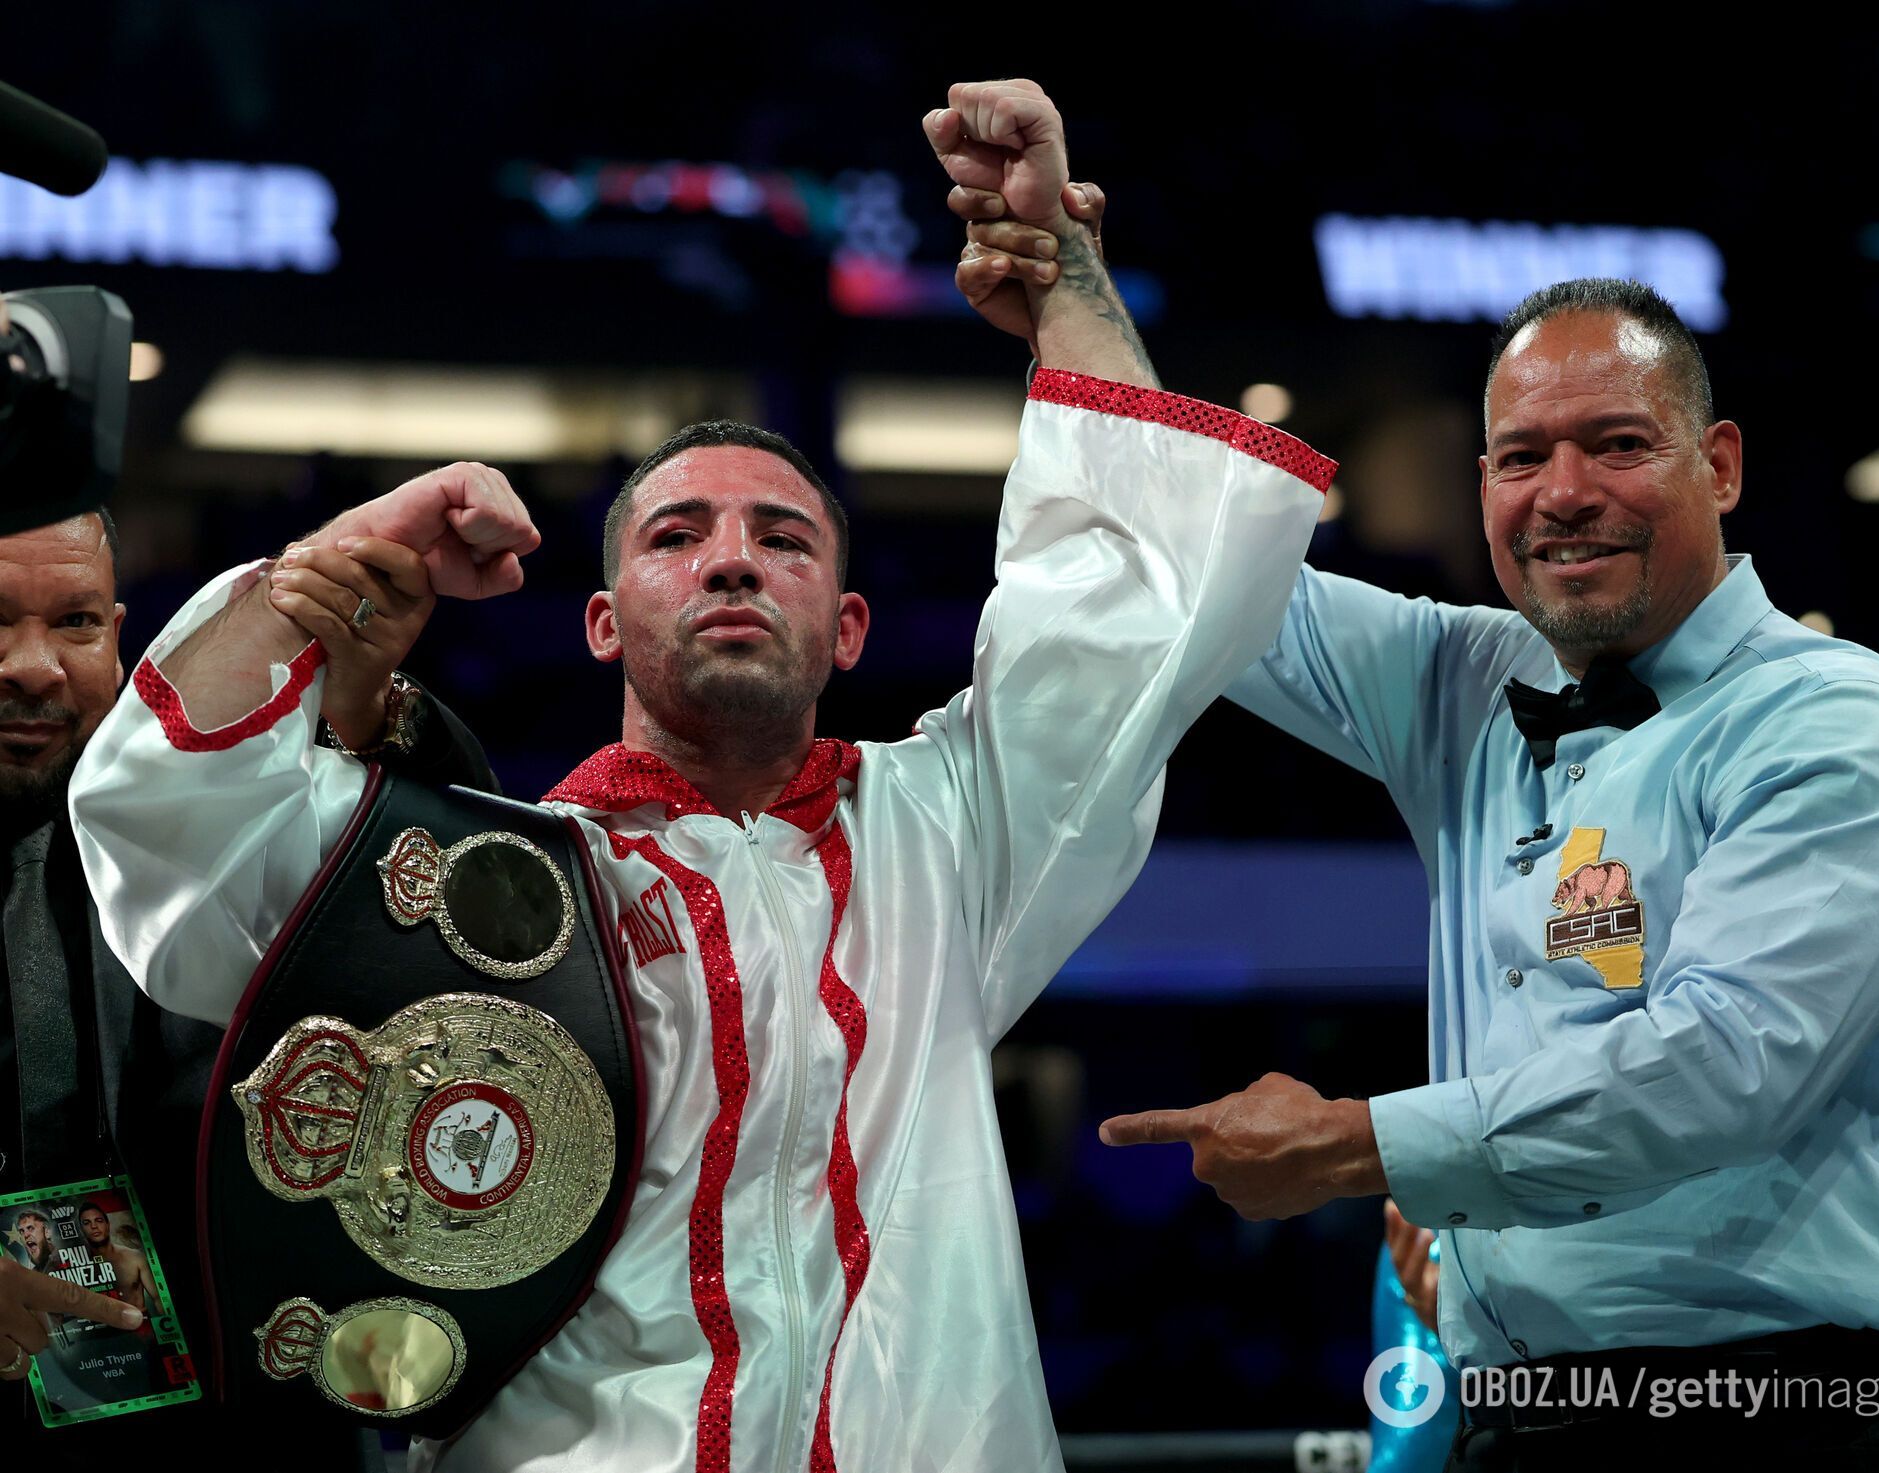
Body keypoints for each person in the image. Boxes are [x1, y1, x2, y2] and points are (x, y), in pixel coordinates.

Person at [69, 77, 1333, 1473]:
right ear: (604, 619)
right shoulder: (472, 883)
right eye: (678, 533)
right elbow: (169, 837)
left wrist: (1067, 276)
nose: (733, 555)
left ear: (848, 627)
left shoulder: (952, 842)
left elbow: (1125, 604)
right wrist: (322, 570)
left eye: (784, 539)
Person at [950, 208, 1879, 1468]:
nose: (1563, 495)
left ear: (1716, 465)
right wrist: (1068, 284)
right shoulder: (1466, 682)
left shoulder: (1838, 722)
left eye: (1615, 444)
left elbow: (1720, 1065)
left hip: (1791, 1422)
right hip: (1519, 1419)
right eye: (1519, 457)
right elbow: (1199, 564)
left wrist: (1351, 1144)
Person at [0, 287, 501, 1457]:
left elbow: (447, 912)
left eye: (75, 624)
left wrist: (366, 703)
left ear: (123, 631)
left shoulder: (186, 831)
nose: (36, 668)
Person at [78, 1203, 157, 1315]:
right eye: (87, 1223)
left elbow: (159, 1299)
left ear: (108, 1225)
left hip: (139, 1324)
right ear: (81, 1230)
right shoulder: (77, 1266)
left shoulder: (134, 1257)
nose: (94, 1226)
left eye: (99, 1220)